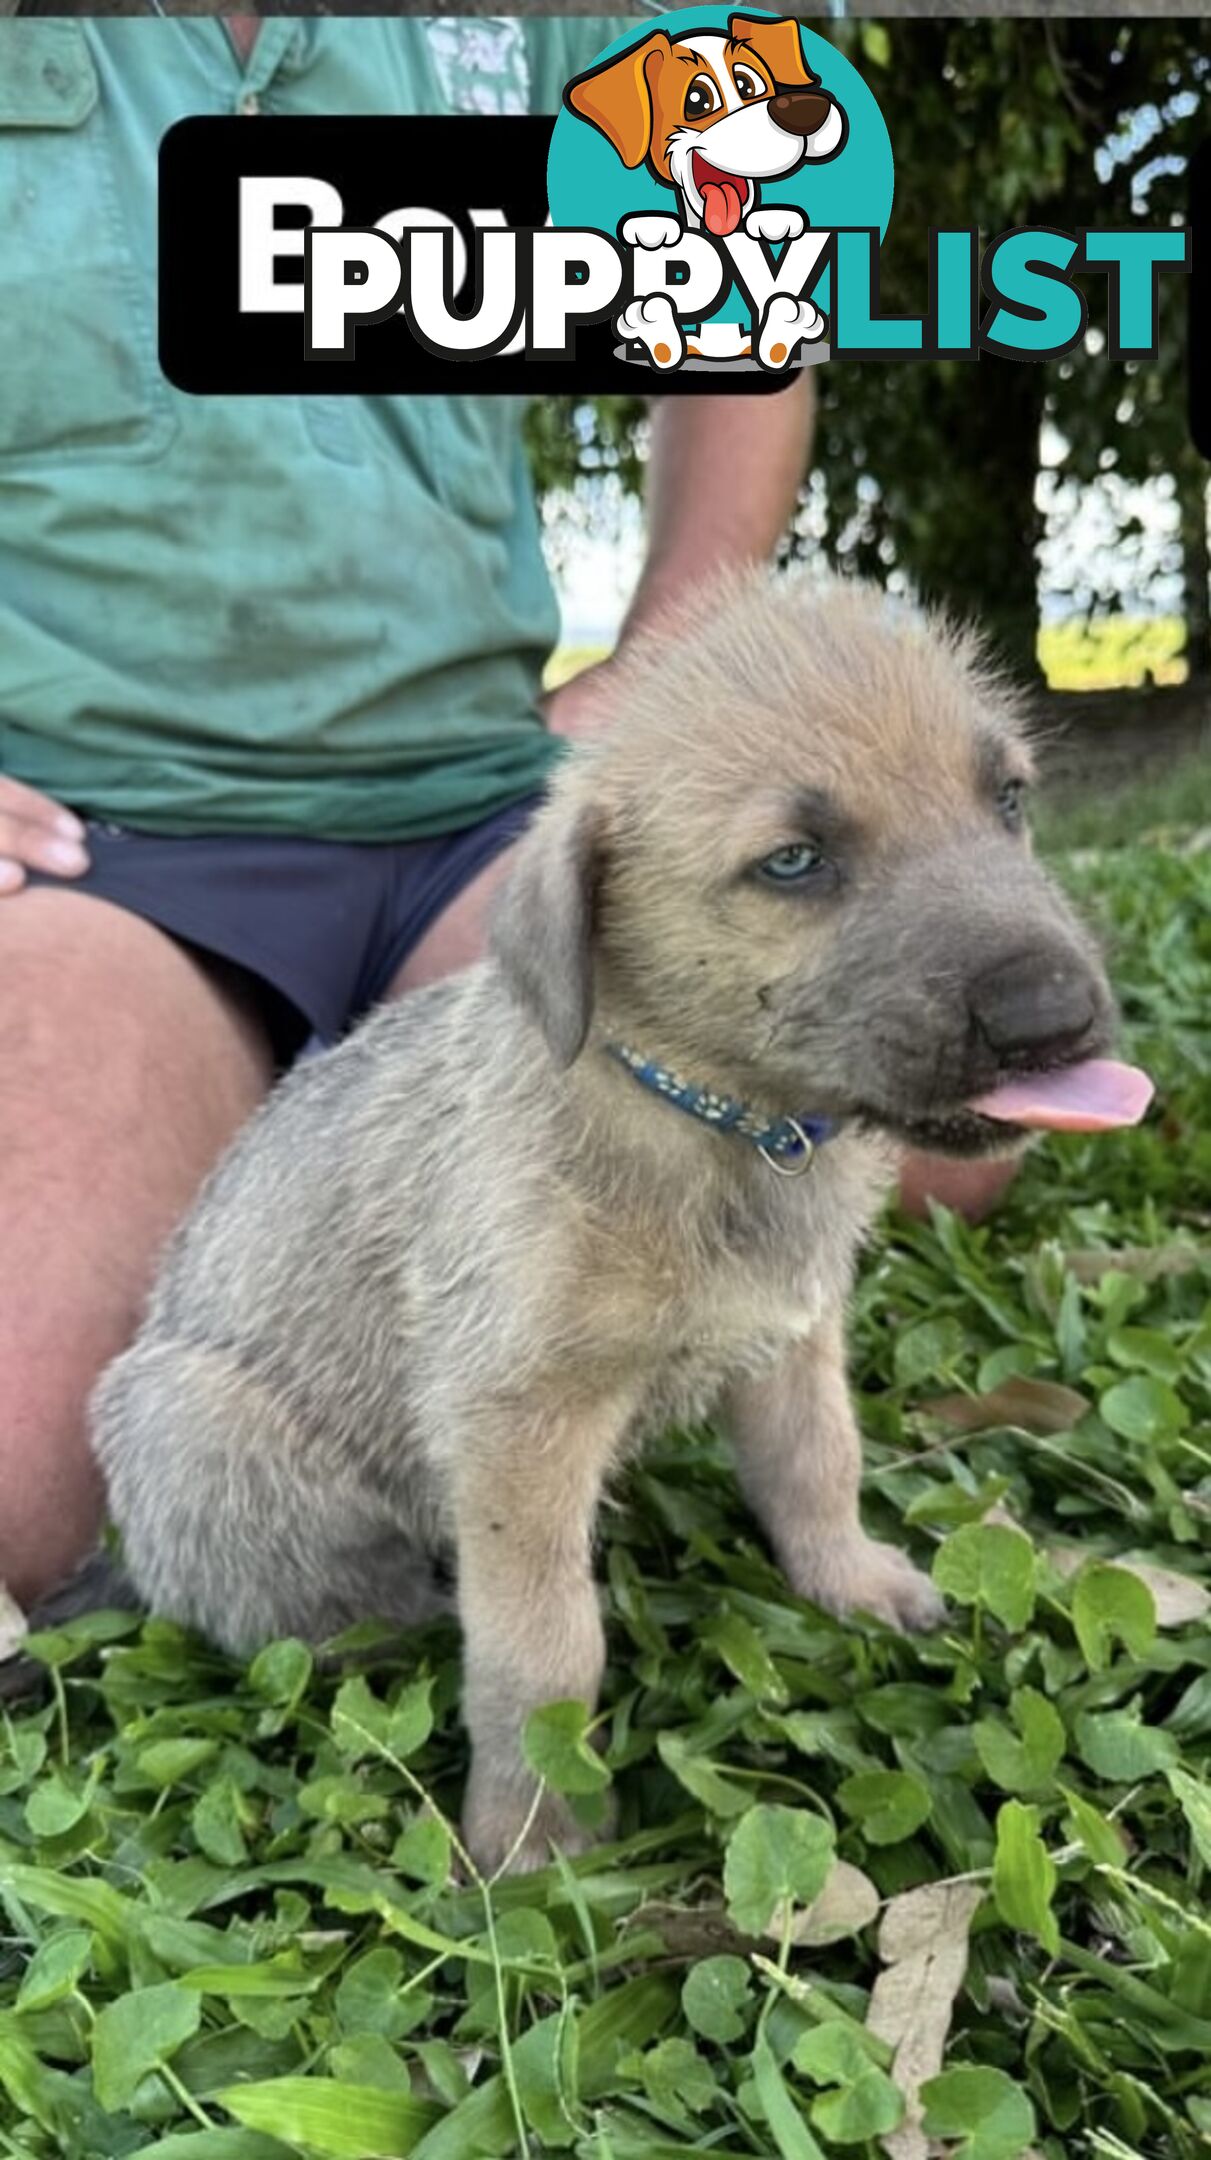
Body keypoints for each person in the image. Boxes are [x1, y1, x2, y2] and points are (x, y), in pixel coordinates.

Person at [0, 11, 824, 1609]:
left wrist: (668, 661)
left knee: (943, 1106)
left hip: (486, 806)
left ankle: (306, 1085)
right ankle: (208, 1075)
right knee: (26, 1480)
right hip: (114, 834)